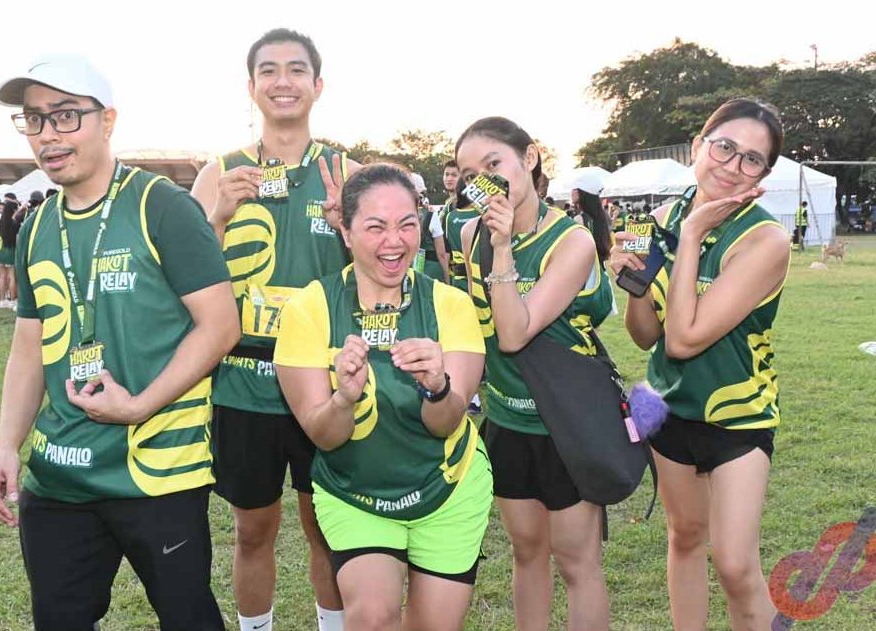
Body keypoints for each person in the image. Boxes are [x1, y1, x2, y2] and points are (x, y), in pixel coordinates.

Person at [0, 54, 238, 630]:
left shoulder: (161, 206)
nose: (48, 135)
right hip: (60, 474)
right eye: (34, 120)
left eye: (66, 115)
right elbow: (28, 348)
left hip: (158, 470)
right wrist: (6, 447)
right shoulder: (37, 226)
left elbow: (221, 326)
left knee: (188, 618)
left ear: (108, 121)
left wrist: (140, 405)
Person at [274, 163, 490, 631]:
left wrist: (438, 386)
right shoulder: (310, 308)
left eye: (407, 224)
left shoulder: (450, 305)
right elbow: (324, 436)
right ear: (346, 233)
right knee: (372, 617)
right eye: (375, 227)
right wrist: (343, 399)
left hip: (446, 485)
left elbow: (447, 422)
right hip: (355, 490)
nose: (395, 242)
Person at [190, 28, 356, 631]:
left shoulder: (348, 173)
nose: (282, 81)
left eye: (295, 69)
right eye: (269, 70)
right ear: (251, 86)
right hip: (243, 382)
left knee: (326, 527)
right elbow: (183, 282)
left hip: (324, 381)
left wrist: (349, 229)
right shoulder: (218, 173)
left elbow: (389, 273)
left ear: (318, 85)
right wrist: (217, 217)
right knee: (252, 530)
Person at [609, 98, 790, 631]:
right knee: (684, 536)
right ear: (697, 147)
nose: (733, 166)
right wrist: (635, 286)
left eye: (752, 159)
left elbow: (685, 339)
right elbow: (647, 335)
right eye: (724, 147)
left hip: (737, 414)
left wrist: (689, 236)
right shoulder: (660, 218)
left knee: (735, 565)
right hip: (667, 408)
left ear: (764, 174)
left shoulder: (766, 239)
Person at [457, 117, 614, 631]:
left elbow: (514, 333)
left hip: (565, 424)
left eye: (494, 164)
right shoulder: (469, 234)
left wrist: (502, 248)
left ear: (529, 158)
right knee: (526, 551)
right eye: (470, 175)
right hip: (507, 418)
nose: (484, 182)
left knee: (577, 562)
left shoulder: (573, 241)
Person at [441, 161, 478, 294]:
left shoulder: (449, 216)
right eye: (447, 174)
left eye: (454, 175)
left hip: (458, 278)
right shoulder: (484, 214)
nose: (449, 178)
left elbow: (445, 251)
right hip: (479, 275)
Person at [0, 199, 20, 309]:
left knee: (2, 276)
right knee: (12, 277)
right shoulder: (15, 224)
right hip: (11, 251)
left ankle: (2, 300)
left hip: (0, 251)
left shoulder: (0, 222)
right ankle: (13, 300)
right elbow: (18, 239)